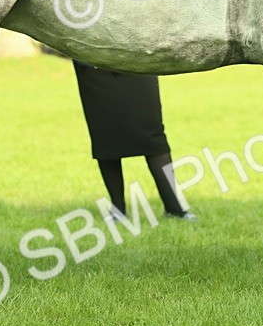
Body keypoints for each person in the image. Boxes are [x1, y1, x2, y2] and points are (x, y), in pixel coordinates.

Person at [72, 61, 197, 221]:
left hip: (136, 56)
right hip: (93, 63)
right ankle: (118, 211)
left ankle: (174, 208)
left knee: (153, 137)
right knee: (105, 136)